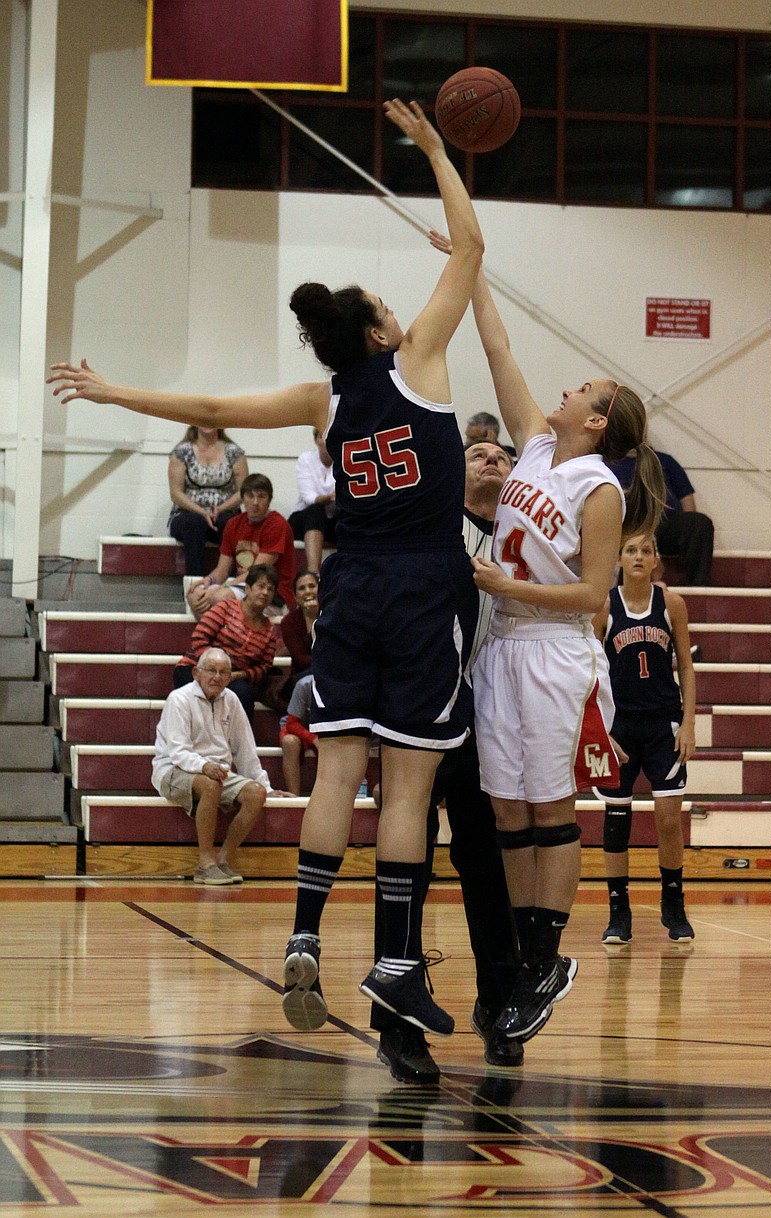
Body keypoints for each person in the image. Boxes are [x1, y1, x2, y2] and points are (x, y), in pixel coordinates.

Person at [48, 96, 485, 1041]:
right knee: (408, 789)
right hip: (423, 585)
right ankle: (395, 965)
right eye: (389, 310)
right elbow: (471, 247)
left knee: (337, 775)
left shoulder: (322, 400)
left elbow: (209, 406)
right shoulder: (421, 362)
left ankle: (303, 936)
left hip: (351, 590)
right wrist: (434, 149)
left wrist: (110, 388)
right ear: (381, 333)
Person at [446, 238, 665, 1046]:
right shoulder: (536, 443)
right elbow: (497, 345)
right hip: (501, 647)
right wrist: (468, 267)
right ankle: (520, 950)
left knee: (549, 805)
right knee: (506, 807)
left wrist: (507, 587)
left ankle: (545, 954)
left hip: (552, 646)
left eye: (582, 389)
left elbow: (593, 595)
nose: (565, 390)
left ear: (598, 420)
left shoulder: (600, 489)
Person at [372, 439, 522, 1083]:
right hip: (421, 707)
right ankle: (397, 1023)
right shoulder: (430, 525)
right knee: (409, 866)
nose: (491, 460)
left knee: (489, 868)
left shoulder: (523, 539)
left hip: (491, 716)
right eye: (476, 452)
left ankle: (500, 1005)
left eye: (502, 456)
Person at [591, 532, 697, 944]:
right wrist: (600, 729)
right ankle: (619, 911)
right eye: (631, 550)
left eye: (646, 550)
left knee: (669, 820)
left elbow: (686, 665)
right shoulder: (604, 605)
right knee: (616, 822)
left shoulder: (672, 604)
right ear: (618, 558)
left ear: (655, 560)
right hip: (619, 728)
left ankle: (673, 903)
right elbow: (590, 670)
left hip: (662, 726)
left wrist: (688, 724)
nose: (638, 556)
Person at [152, 647, 280, 885]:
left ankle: (223, 860)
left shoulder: (232, 700)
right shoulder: (179, 699)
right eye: (211, 670)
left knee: (256, 793)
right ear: (196, 673)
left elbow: (245, 750)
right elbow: (178, 752)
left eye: (223, 672)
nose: (217, 677)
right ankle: (205, 864)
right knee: (211, 785)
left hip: (216, 773)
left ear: (230, 678)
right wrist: (204, 766)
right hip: (172, 769)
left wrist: (267, 786)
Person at [172, 563, 279, 723]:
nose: (265, 592)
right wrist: (215, 669)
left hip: (233, 678)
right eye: (261, 586)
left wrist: (237, 675)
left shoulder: (269, 630)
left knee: (244, 693)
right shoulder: (226, 607)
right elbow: (199, 637)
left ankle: (237, 739)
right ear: (248, 588)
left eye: (270, 589)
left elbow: (264, 667)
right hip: (198, 668)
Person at [185, 473, 296, 620]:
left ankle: (228, 633)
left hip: (272, 591)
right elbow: (222, 570)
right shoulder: (233, 524)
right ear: (242, 499)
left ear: (269, 500)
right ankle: (212, 634)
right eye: (250, 496)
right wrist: (209, 580)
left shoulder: (277, 524)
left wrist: (222, 588)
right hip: (245, 586)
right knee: (194, 595)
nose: (255, 502)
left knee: (220, 597)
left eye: (261, 497)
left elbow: (256, 572)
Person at [610, 449, 714, 586]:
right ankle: (624, 589)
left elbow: (688, 505)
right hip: (628, 528)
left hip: (664, 526)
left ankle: (699, 587)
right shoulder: (607, 464)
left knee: (699, 522)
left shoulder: (665, 461)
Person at [167, 426, 248, 575]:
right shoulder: (181, 452)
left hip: (224, 513)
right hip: (188, 515)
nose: (207, 424)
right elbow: (176, 493)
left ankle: (231, 583)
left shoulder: (235, 452)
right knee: (194, 522)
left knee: (230, 523)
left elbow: (243, 491)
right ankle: (194, 582)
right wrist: (202, 512)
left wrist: (220, 509)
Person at [288, 429, 337, 571]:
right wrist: (331, 497)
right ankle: (313, 571)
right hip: (304, 518)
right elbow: (309, 498)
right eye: (322, 437)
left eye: (330, 436)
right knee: (316, 510)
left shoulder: (344, 460)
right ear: (316, 440)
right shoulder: (306, 459)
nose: (326, 441)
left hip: (333, 519)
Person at [277, 569, 319, 700]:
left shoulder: (331, 615)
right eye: (302, 588)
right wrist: (310, 616)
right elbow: (302, 660)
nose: (308, 591)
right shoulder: (288, 622)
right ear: (295, 596)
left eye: (312, 586)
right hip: (301, 677)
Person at [279, 673, 317, 796]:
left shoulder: (340, 687)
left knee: (333, 744)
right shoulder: (304, 684)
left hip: (324, 731)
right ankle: (293, 796)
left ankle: (326, 796)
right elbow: (292, 724)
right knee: (289, 742)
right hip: (300, 727)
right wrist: (314, 739)